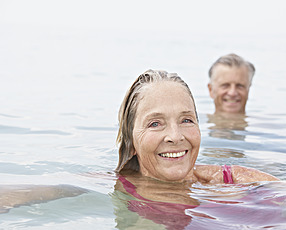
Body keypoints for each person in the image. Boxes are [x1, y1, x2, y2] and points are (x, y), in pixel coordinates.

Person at [115, 69, 277, 183]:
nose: (176, 136)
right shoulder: (108, 187)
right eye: (155, 123)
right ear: (131, 144)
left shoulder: (239, 182)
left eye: (186, 120)